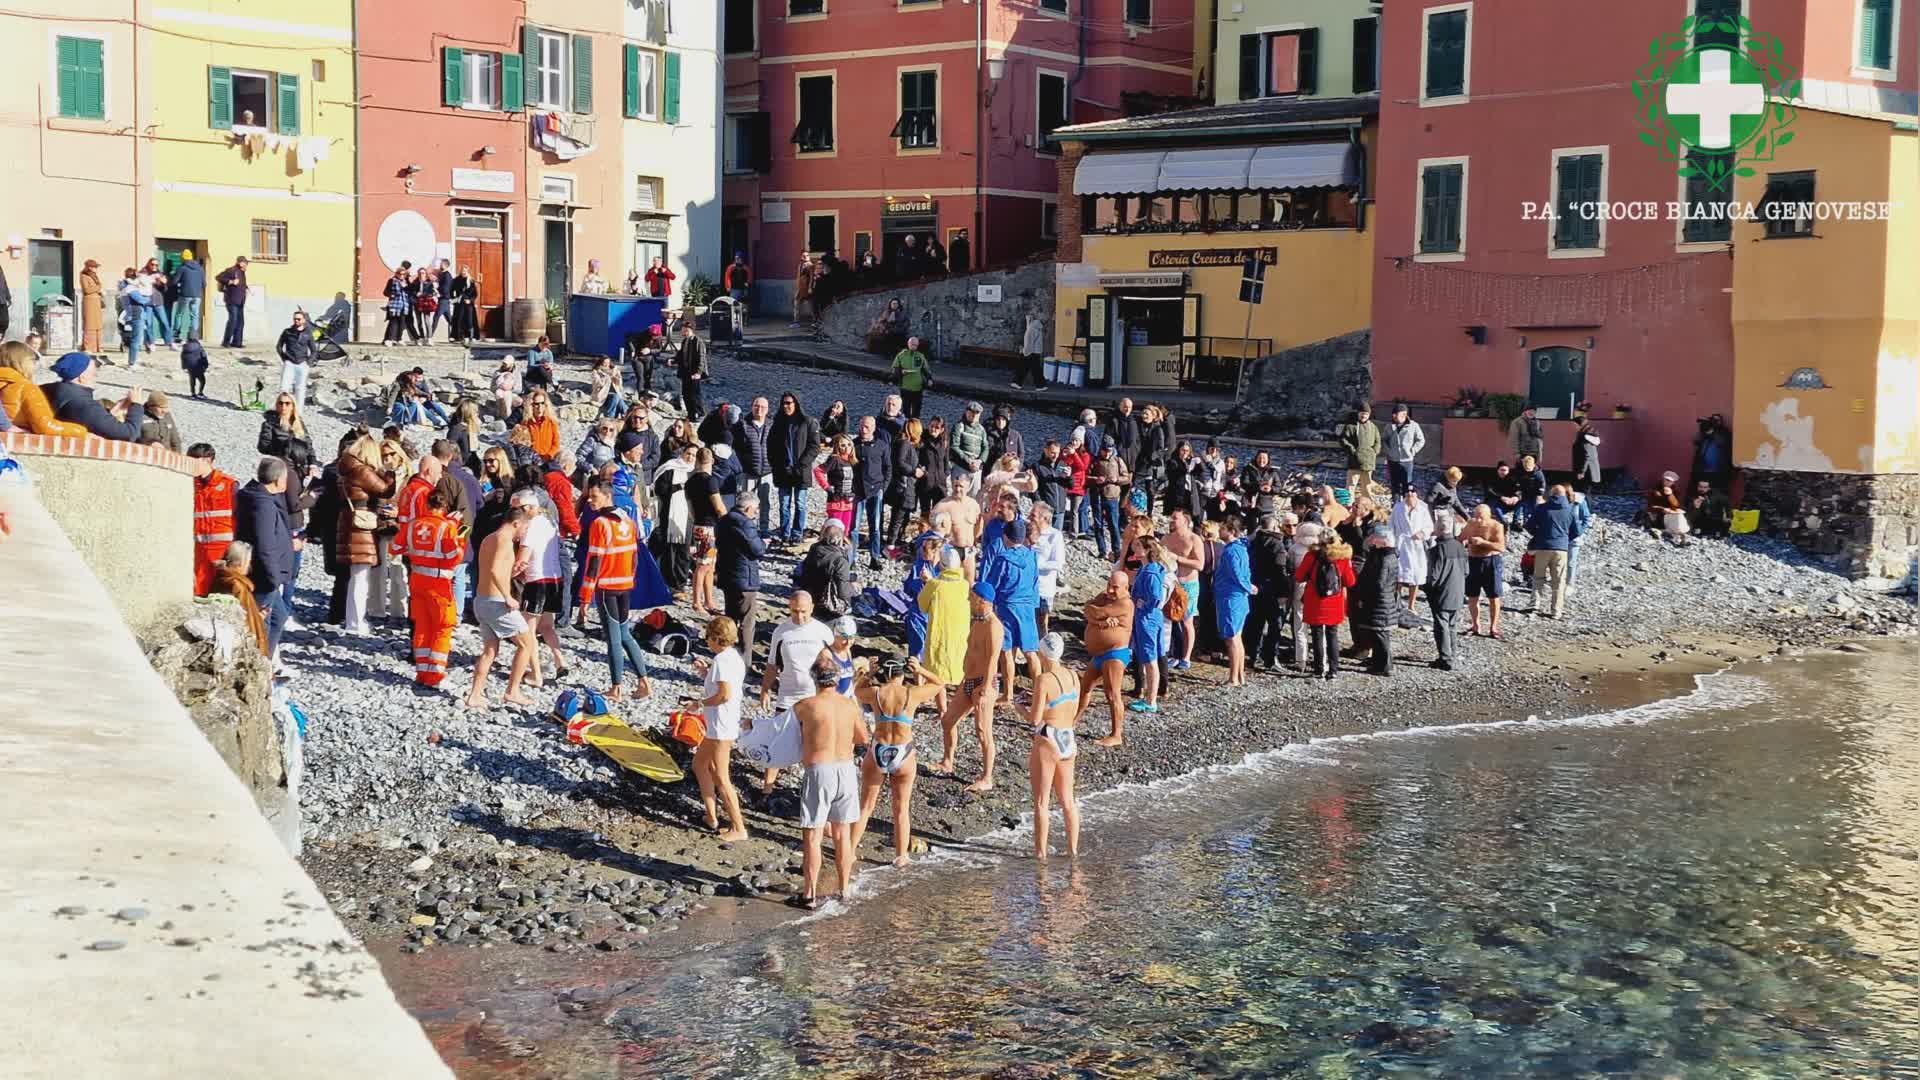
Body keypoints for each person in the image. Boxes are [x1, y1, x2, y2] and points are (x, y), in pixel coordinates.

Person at [790, 652, 867, 909]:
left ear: (814, 679)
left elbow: (785, 736)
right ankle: (844, 889)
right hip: (845, 770)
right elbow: (862, 738)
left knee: (813, 835)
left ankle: (809, 894)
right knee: (842, 833)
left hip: (819, 770)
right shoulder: (849, 706)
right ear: (836, 679)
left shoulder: (804, 706)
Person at [848, 658, 942, 867]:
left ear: (884, 673)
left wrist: (869, 674)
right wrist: (921, 669)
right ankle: (901, 856)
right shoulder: (912, 693)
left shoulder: (875, 693)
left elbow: (855, 690)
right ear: (903, 673)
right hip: (903, 752)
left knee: (865, 807)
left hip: (878, 750)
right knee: (901, 808)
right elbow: (939, 684)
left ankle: (850, 851)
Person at [760, 590, 838, 792]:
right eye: (794, 611)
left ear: (812, 608)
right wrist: (765, 689)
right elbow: (772, 665)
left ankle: (812, 787)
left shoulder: (823, 632)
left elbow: (835, 665)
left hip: (815, 697)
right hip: (787, 696)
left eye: (803, 611)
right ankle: (767, 789)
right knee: (777, 741)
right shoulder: (781, 632)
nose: (799, 616)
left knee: (814, 743)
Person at [931, 581, 1003, 792]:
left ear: (982, 600)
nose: (969, 600)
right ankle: (947, 761)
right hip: (969, 681)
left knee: (983, 732)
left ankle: (987, 777)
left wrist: (986, 688)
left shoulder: (993, 626)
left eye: (972, 597)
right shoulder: (978, 621)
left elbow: (992, 660)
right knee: (948, 721)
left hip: (985, 683)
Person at [465, 503, 538, 708]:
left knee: (490, 651)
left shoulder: (489, 538)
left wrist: (513, 571)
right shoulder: (504, 540)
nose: (523, 533)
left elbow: (492, 571)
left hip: (481, 600)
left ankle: (475, 695)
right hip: (497, 602)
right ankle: (512, 690)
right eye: (524, 528)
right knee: (527, 643)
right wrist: (508, 596)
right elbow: (496, 571)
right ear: (516, 523)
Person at [400, 487, 466, 688]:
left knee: (422, 625)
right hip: (439, 584)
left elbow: (395, 547)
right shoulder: (447, 527)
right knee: (442, 628)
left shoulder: (412, 525)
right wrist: (459, 536)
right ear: (444, 507)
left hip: (417, 581)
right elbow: (454, 557)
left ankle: (421, 672)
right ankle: (435, 674)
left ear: (427, 504)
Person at [235, 457, 296, 662]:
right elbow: (265, 544)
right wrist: (273, 577)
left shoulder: (256, 496)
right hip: (263, 575)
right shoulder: (263, 504)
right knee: (262, 624)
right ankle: (259, 667)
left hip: (265, 573)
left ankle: (266, 664)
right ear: (278, 480)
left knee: (279, 617)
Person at [335, 433, 397, 635]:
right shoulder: (361, 470)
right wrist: (389, 473)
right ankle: (355, 621)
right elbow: (385, 490)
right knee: (360, 577)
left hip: (348, 521)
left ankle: (353, 619)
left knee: (355, 576)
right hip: (360, 527)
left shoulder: (346, 468)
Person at [44, 352, 145, 441]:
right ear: (82, 377)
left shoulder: (53, 390)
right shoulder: (82, 403)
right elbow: (130, 434)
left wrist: (110, 415)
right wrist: (136, 405)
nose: (95, 376)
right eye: (93, 373)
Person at [1296, 531, 1355, 680]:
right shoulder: (1342, 557)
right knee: (1332, 634)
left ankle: (1318, 670)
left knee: (1316, 635)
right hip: (1335, 601)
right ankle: (1333, 670)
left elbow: (1299, 576)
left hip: (1315, 600)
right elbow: (1350, 581)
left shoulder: (1312, 556)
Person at [0, 343, 85, 436]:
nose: (34, 367)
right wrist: (82, 431)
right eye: (33, 362)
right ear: (24, 362)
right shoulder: (26, 388)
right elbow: (45, 426)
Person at [186, 444, 236, 597]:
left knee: (223, 591)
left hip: (223, 549)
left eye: (194, 461)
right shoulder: (190, 484)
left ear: (207, 460)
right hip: (199, 549)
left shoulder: (229, 484)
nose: (190, 465)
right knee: (199, 591)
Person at [1526, 484, 1582, 618]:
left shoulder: (1541, 508)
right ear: (1564, 495)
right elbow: (1577, 531)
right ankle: (1556, 611)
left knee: (1538, 577)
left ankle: (1535, 605)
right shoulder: (1570, 510)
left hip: (1543, 547)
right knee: (1558, 580)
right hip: (1561, 548)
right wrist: (1564, 539)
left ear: (1550, 494)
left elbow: (1529, 526)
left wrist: (1538, 535)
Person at [1350, 525, 1398, 676]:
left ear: (1382, 540)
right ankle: (1378, 663)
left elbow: (1379, 583)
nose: (1370, 539)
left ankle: (1385, 666)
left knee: (1381, 635)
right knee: (1377, 634)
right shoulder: (1381, 555)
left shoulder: (1385, 559)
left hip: (1380, 602)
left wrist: (1364, 594)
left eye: (1373, 537)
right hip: (1380, 601)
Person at [1213, 516, 1254, 687]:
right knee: (1237, 637)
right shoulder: (1241, 548)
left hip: (1231, 596)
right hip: (1236, 596)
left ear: (1231, 531)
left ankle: (1234, 678)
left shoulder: (1231, 551)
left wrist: (1248, 587)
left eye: (1222, 528)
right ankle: (1239, 675)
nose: (1219, 531)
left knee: (1231, 638)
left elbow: (1237, 573)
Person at [1128, 541, 1169, 713]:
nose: (1134, 548)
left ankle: (1151, 700)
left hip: (1147, 618)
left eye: (1138, 545)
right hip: (1151, 618)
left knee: (1150, 659)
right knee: (1151, 657)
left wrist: (1142, 605)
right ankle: (1149, 697)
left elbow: (1156, 597)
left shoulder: (1151, 572)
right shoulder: (1149, 568)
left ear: (1146, 550)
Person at [918, 544, 970, 679]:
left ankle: (941, 701)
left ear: (942, 565)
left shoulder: (935, 585)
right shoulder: (965, 585)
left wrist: (928, 582)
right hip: (959, 635)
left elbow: (922, 605)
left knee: (937, 676)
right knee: (958, 667)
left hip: (939, 635)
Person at [1425, 513, 1467, 670]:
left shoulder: (1437, 550)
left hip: (1441, 593)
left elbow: (1434, 575)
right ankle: (1451, 655)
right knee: (1452, 625)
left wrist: (1427, 588)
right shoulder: (1460, 547)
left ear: (1439, 529)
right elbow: (1466, 571)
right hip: (1458, 591)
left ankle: (1445, 658)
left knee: (1441, 625)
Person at [1162, 509, 1203, 670]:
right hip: (1171, 582)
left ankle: (1186, 657)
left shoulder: (1194, 539)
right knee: (1170, 619)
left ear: (1185, 521)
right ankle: (1173, 653)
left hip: (1188, 584)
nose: (1171, 521)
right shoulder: (1166, 538)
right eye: (1171, 518)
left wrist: (1177, 558)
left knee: (1187, 621)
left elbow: (1199, 564)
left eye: (1175, 518)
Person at [1460, 503, 1507, 638]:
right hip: (1473, 560)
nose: (1478, 520)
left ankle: (1493, 627)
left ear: (1488, 516)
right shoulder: (1471, 524)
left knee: (1494, 596)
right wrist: (1464, 542)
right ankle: (1475, 625)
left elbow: (1501, 547)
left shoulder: (1496, 526)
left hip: (1490, 561)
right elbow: (1460, 538)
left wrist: (1483, 543)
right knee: (1472, 595)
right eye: (1476, 517)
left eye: (1481, 518)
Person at [796, 519, 854, 620]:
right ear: (840, 539)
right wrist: (852, 590)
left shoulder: (814, 549)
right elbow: (843, 591)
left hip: (810, 596)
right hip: (828, 603)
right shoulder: (840, 560)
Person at [1390, 487, 1434, 610]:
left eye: (1412, 492)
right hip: (1401, 544)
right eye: (1407, 492)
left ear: (1416, 494)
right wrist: (1392, 542)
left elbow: (1429, 526)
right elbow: (1391, 525)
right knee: (1399, 575)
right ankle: (1395, 602)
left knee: (1416, 576)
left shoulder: (1423, 508)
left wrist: (1422, 534)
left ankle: (1411, 605)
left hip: (1416, 547)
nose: (1410, 494)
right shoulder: (1398, 507)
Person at [1088, 443, 1129, 560]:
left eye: (1109, 451)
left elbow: (1126, 478)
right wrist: (1096, 480)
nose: (1107, 454)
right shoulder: (1095, 461)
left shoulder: (1117, 460)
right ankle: (1102, 550)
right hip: (1097, 496)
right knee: (1098, 524)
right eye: (1105, 451)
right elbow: (1085, 477)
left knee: (1114, 525)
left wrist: (1117, 480)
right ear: (1101, 450)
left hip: (1112, 496)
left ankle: (1116, 551)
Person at [275, 311, 317, 407]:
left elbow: (314, 350)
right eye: (295, 319)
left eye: (298, 319)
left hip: (302, 363)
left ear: (304, 320)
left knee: (300, 389)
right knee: (284, 387)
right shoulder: (287, 332)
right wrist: (284, 358)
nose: (296, 321)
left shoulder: (308, 334)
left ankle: (298, 412)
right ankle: (283, 409)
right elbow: (279, 346)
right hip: (289, 363)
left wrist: (309, 362)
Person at [1383, 403, 1425, 497]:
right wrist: (1388, 451)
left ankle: (1406, 506)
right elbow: (1384, 440)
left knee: (1407, 484)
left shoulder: (1413, 425)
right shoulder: (1389, 426)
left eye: (1402, 414)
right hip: (1393, 460)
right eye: (1395, 415)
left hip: (1407, 461)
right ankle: (1396, 505)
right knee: (1395, 485)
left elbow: (1421, 440)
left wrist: (1413, 451)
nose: (1396, 417)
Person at [1337, 404, 1381, 496]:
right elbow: (1343, 440)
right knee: (1350, 486)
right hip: (1354, 462)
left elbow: (1378, 441)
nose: (1364, 416)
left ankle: (1367, 507)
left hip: (1368, 462)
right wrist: (1352, 451)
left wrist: (1374, 452)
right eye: (1362, 413)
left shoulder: (1373, 427)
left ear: (1369, 415)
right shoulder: (1350, 426)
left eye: (1366, 414)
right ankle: (1348, 506)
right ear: (1358, 413)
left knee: (1367, 487)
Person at [888, 336, 933, 419]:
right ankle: (906, 426)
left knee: (917, 411)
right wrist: (900, 372)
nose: (914, 347)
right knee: (906, 410)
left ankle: (915, 427)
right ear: (908, 344)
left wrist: (929, 379)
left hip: (918, 387)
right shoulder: (901, 355)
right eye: (912, 344)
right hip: (905, 387)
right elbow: (895, 369)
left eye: (916, 345)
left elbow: (926, 369)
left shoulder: (920, 356)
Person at [170, 249, 205, 343]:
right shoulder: (200, 268)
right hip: (197, 295)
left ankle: (176, 335)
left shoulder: (182, 268)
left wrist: (173, 277)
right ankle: (193, 336)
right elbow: (204, 284)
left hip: (185, 294)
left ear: (183, 258)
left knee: (179, 314)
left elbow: (174, 282)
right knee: (194, 315)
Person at [1646, 471, 1691, 544]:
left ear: (1673, 482)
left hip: (1670, 514)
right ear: (1663, 479)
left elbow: (1677, 505)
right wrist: (1662, 509)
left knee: (1679, 515)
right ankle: (1680, 536)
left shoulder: (1676, 491)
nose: (1668, 482)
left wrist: (1670, 495)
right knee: (1676, 517)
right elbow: (1650, 506)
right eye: (1667, 480)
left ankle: (1675, 534)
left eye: (1670, 481)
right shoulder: (1655, 490)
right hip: (1659, 515)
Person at [675, 322, 708, 420]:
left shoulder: (698, 341)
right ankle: (691, 413)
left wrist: (698, 372)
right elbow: (680, 355)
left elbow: (702, 358)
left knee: (695, 395)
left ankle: (700, 413)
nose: (684, 332)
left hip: (694, 372)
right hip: (685, 372)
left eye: (686, 330)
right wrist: (673, 360)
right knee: (686, 394)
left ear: (691, 330)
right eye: (683, 330)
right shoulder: (684, 341)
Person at [216, 256, 248, 348]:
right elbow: (218, 277)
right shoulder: (231, 270)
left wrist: (246, 288)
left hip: (240, 301)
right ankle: (225, 342)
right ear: (240, 263)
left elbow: (241, 284)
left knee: (240, 322)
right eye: (245, 263)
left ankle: (237, 342)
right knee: (233, 320)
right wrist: (231, 281)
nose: (247, 265)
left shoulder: (242, 273)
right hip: (232, 300)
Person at [1012, 313, 1048, 391]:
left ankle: (1017, 383)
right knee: (1035, 369)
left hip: (1030, 352)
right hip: (1036, 351)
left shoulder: (1031, 329)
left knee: (1024, 368)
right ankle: (1040, 385)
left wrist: (1024, 351)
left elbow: (1028, 343)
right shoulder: (1038, 328)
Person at [1486, 460, 1525, 530]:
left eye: (1505, 470)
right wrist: (1501, 497)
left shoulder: (1513, 478)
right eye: (1501, 470)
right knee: (1496, 507)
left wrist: (1516, 497)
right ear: (1498, 470)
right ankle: (1504, 522)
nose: (1503, 472)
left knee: (1521, 502)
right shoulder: (1491, 478)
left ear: (1508, 471)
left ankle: (1515, 522)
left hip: (1509, 502)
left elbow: (1520, 489)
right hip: (1499, 502)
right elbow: (1489, 491)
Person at [79, 259, 105, 354]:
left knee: (98, 325)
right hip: (89, 302)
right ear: (89, 267)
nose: (96, 269)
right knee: (89, 325)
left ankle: (98, 346)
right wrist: (98, 287)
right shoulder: (83, 276)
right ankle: (88, 347)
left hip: (96, 302)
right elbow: (87, 290)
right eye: (94, 267)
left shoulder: (94, 276)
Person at [1572, 416, 1603, 493]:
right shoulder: (1585, 434)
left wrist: (1581, 472)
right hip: (1588, 469)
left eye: (1575, 425)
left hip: (1586, 471)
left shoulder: (1585, 437)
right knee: (1585, 492)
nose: (1575, 427)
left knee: (1584, 493)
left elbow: (1586, 455)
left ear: (1581, 425)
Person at [448, 267, 478, 343]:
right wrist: (454, 299)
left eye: (465, 271)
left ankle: (470, 336)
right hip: (459, 303)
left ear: (467, 271)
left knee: (469, 321)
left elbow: (475, 294)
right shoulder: (456, 280)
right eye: (462, 271)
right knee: (458, 319)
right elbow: (451, 290)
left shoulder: (471, 281)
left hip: (468, 304)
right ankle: (458, 337)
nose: (463, 272)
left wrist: (470, 300)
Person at [790, 255, 813, 327]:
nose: (805, 257)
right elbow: (798, 276)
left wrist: (810, 287)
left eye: (806, 255)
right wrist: (797, 287)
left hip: (806, 288)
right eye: (803, 256)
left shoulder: (810, 265)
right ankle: (796, 321)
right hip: (800, 288)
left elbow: (812, 277)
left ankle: (816, 320)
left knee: (811, 305)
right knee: (796, 304)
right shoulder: (800, 265)